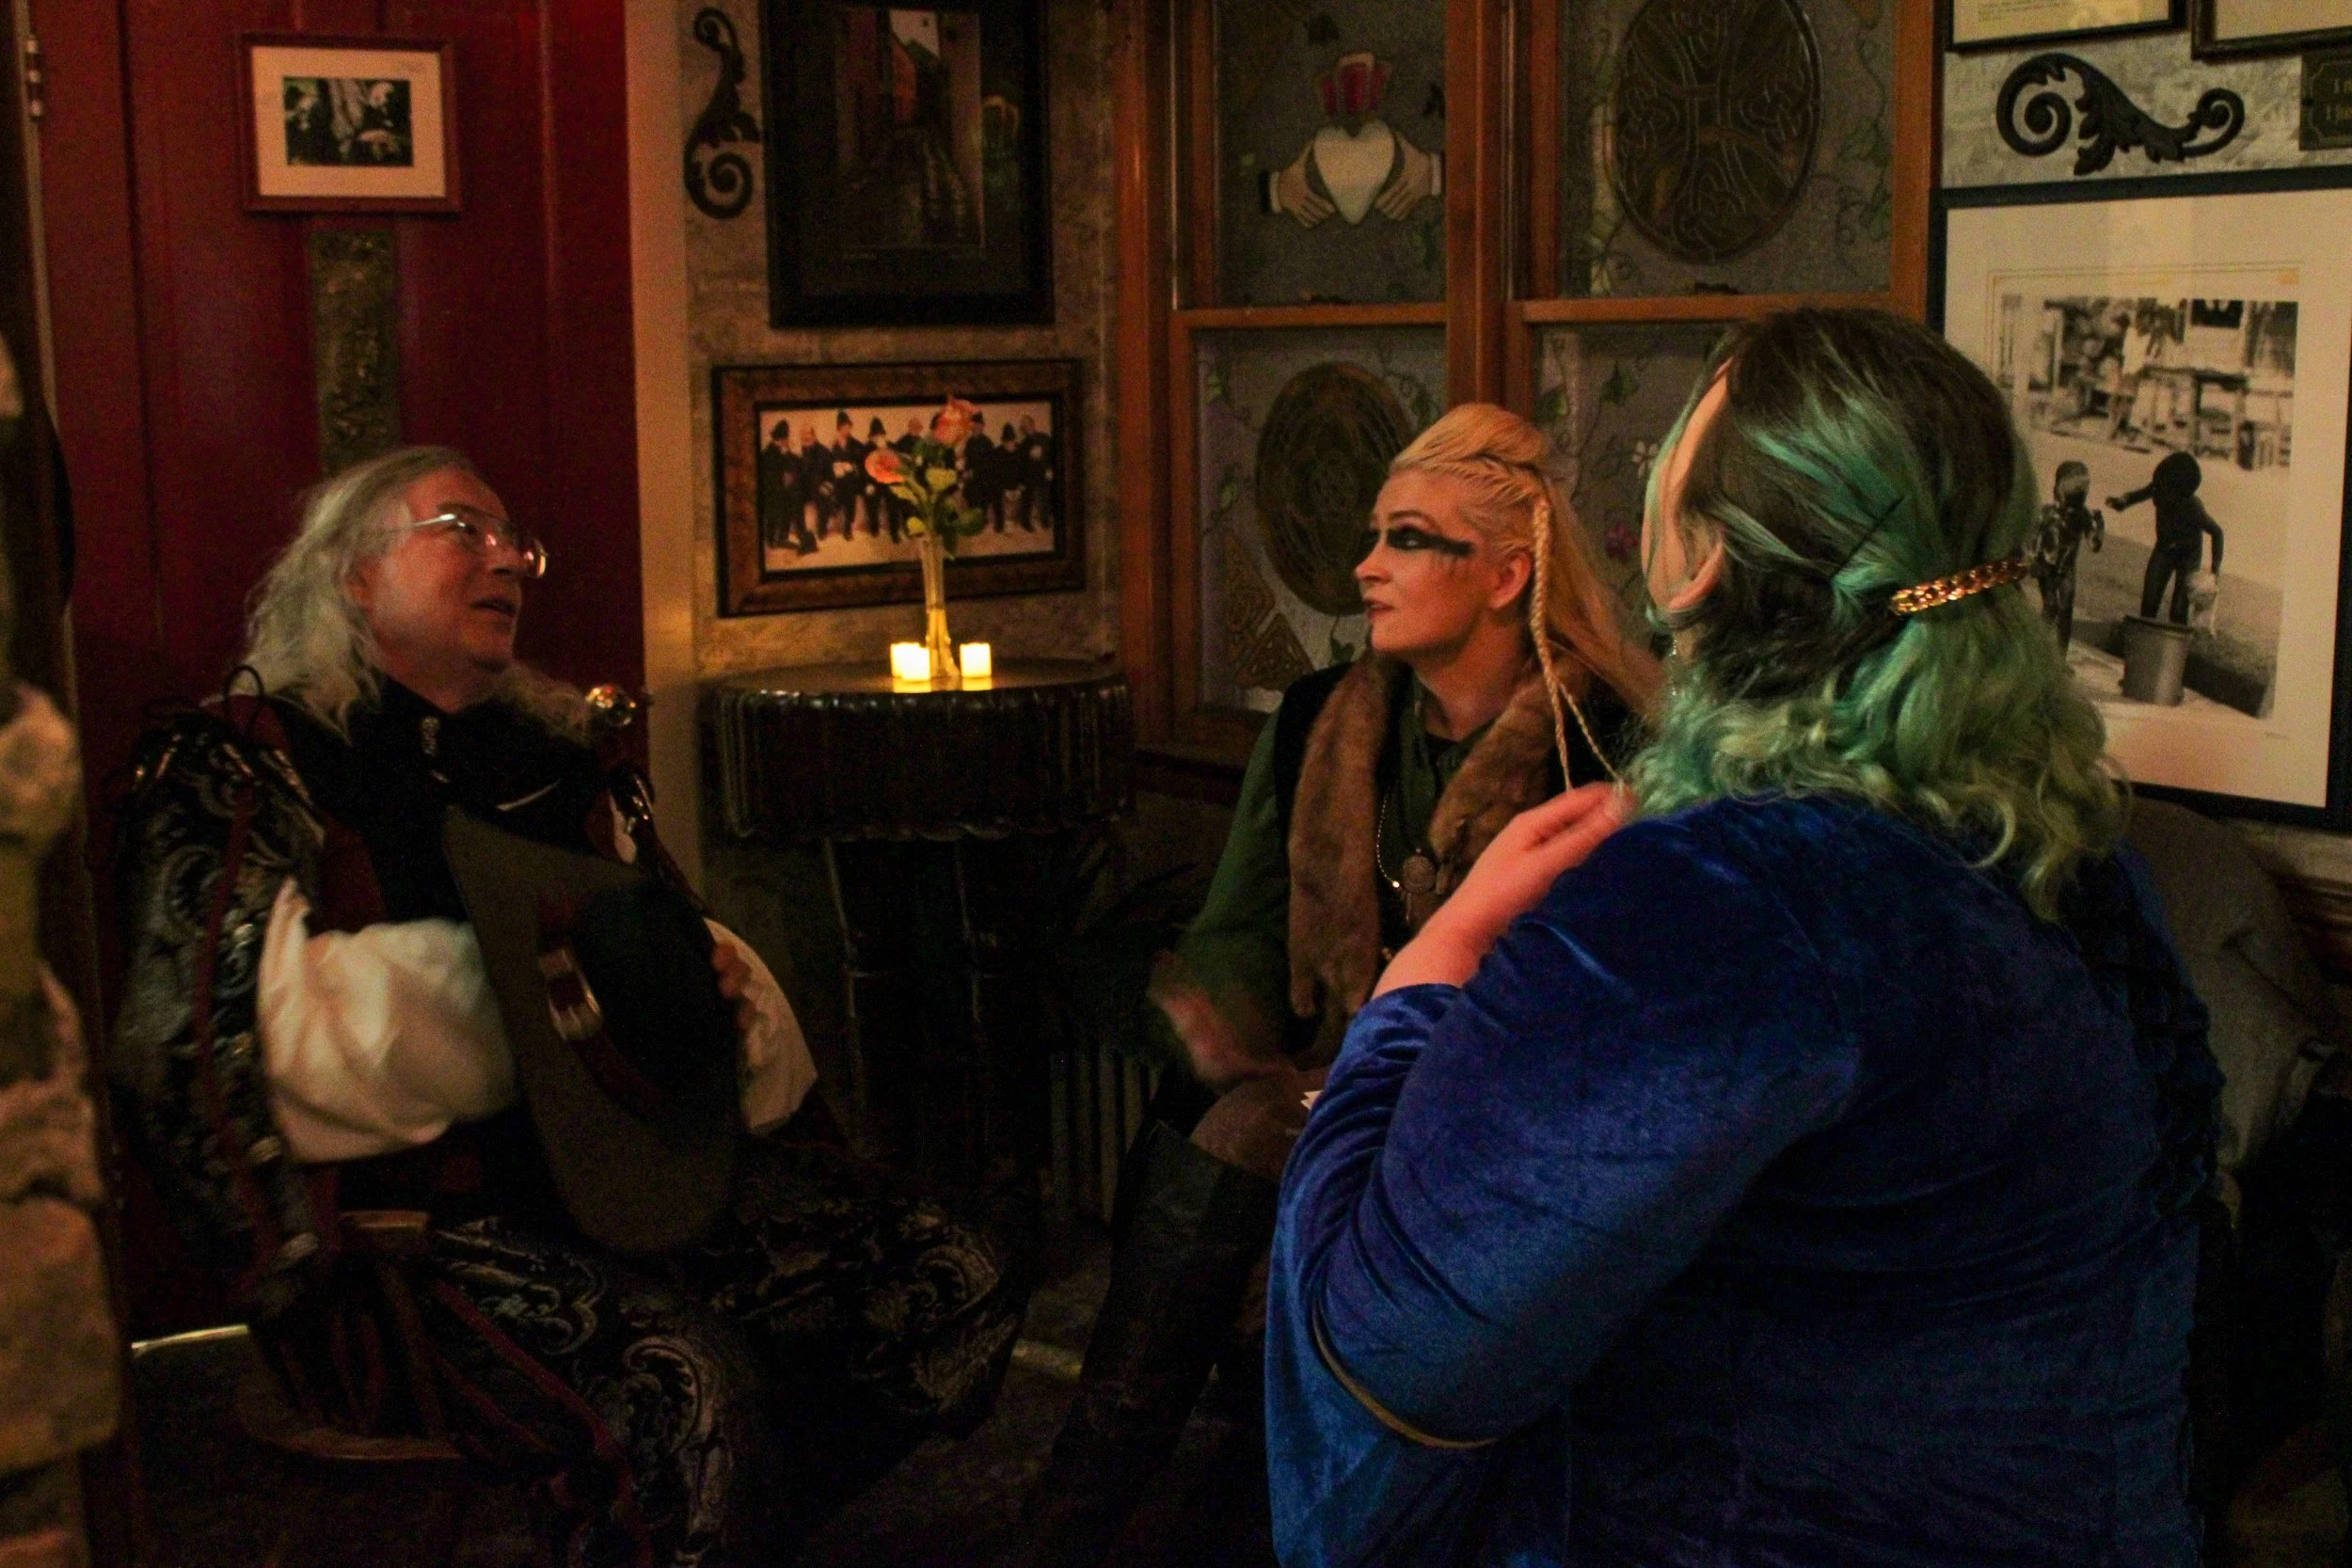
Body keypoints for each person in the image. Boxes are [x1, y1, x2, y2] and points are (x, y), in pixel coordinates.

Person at [1266, 309, 2219, 1565]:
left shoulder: (1728, 900)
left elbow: (1388, 1351)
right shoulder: (2074, 860)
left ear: (1700, 570)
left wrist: (1420, 979)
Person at [108, 447, 1025, 1566]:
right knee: (684, 1391)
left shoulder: (560, 755)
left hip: (638, 1178)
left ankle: (719, 1533)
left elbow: (669, 947)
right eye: (462, 529)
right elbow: (188, 1041)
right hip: (421, 1235)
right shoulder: (253, 757)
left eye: (516, 543)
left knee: (955, 1275)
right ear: (353, 572)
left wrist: (706, 996)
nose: (506, 560)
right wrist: (515, 1011)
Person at [1009, 404, 1660, 1567]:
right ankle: (1080, 1521)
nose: (1365, 565)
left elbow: (1620, 1001)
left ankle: (1237, 1512)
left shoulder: (1600, 741)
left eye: (1406, 538)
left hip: (1508, 1106)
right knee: (1220, 1135)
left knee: (1258, 1152)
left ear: (1505, 575)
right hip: (1336, 1067)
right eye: (1373, 534)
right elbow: (1242, 928)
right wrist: (1219, 1019)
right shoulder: (1324, 716)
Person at [2112, 450, 2225, 626]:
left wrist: (2215, 571)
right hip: (2164, 548)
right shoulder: (2161, 486)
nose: (2157, 495)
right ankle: (2148, 632)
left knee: (2178, 611)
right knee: (2149, 602)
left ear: (2179, 494)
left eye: (2163, 492)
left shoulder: (2192, 507)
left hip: (2188, 555)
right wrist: (2124, 502)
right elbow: (2140, 494)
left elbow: (2217, 532)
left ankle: (2175, 638)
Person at [2030, 459, 2103, 650]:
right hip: (2048, 566)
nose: (2081, 494)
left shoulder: (2080, 515)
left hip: (2064, 568)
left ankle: (2054, 653)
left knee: (2062, 611)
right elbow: (2034, 540)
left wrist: (2098, 526)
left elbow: (2094, 544)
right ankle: (2040, 649)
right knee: (2053, 607)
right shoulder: (2052, 514)